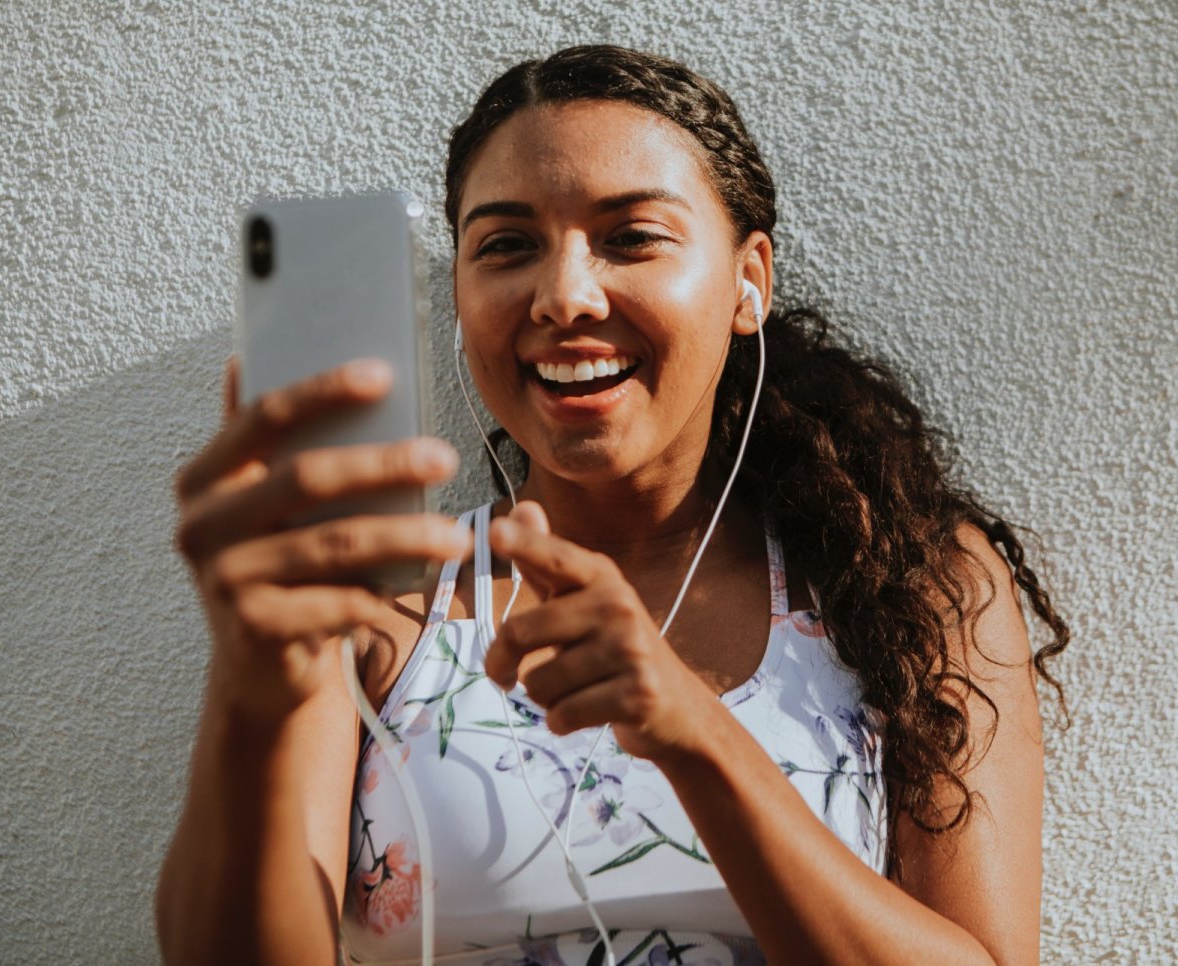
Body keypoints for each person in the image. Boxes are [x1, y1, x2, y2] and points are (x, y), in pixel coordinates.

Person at [156, 45, 1068, 965]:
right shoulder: (370, 602)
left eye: (631, 237)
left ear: (749, 281)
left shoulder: (908, 580)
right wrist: (249, 691)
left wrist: (694, 732)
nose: (563, 297)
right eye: (508, 245)